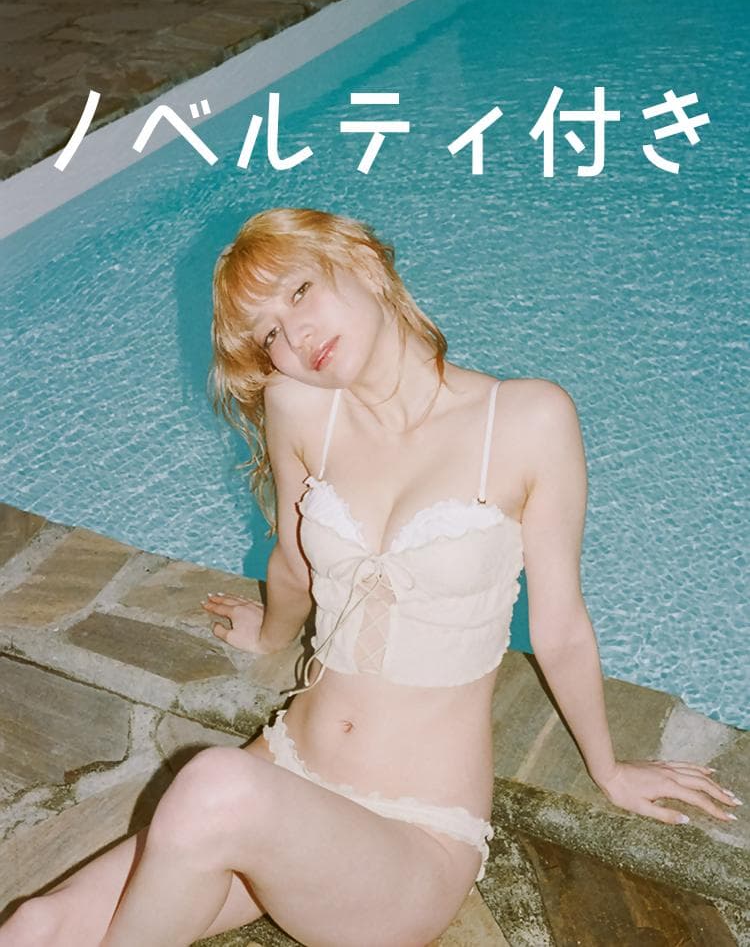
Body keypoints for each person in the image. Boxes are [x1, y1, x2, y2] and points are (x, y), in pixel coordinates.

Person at [1, 207, 739, 947]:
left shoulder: (526, 419)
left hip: (411, 838)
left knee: (212, 787)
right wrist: (271, 634)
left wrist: (609, 769)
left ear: (361, 262)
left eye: (299, 292)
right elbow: (294, 559)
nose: (294, 338)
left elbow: (561, 626)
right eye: (268, 334)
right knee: (35, 924)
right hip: (289, 767)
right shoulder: (298, 408)